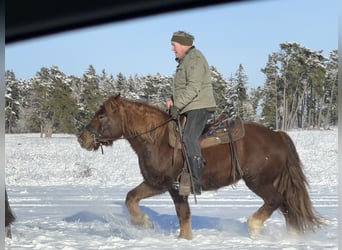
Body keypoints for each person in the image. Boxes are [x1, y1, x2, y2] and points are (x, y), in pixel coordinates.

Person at [166, 31, 216, 195]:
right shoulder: (185, 61)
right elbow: (182, 87)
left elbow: (193, 88)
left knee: (188, 137)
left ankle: (195, 181)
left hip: (199, 106)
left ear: (183, 44)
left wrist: (177, 106)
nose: (172, 49)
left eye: (174, 45)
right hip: (189, 105)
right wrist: (173, 100)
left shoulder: (194, 59)